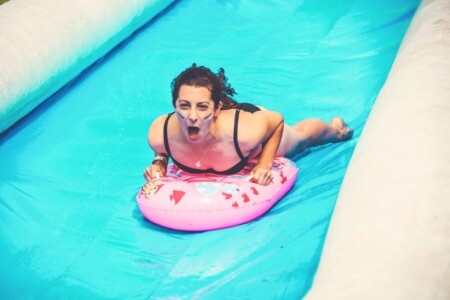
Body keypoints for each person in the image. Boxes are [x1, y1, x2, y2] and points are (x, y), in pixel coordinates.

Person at [144, 64, 353, 186]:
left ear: (216, 108)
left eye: (202, 107)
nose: (191, 116)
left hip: (248, 124)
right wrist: (160, 162)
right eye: (184, 106)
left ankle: (336, 130)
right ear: (174, 105)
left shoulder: (244, 133)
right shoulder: (159, 133)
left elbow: (277, 120)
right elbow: (162, 150)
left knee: (300, 139)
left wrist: (264, 163)